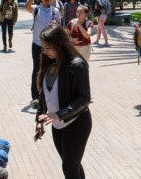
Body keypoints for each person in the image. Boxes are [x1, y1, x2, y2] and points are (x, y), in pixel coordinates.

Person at [35, 24, 92, 179]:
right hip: (57, 124)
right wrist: (39, 119)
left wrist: (60, 114)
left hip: (76, 123)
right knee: (72, 165)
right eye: (43, 48)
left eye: (48, 48)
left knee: (69, 167)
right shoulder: (48, 62)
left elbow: (85, 98)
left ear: (59, 44)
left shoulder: (76, 65)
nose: (44, 52)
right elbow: (43, 96)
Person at [26, 0, 61, 107]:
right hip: (37, 44)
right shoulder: (36, 9)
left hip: (51, 46)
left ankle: (48, 94)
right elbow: (27, 6)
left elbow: (59, 27)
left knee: (50, 69)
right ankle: (35, 96)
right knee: (37, 69)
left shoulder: (55, 11)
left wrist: (56, 23)